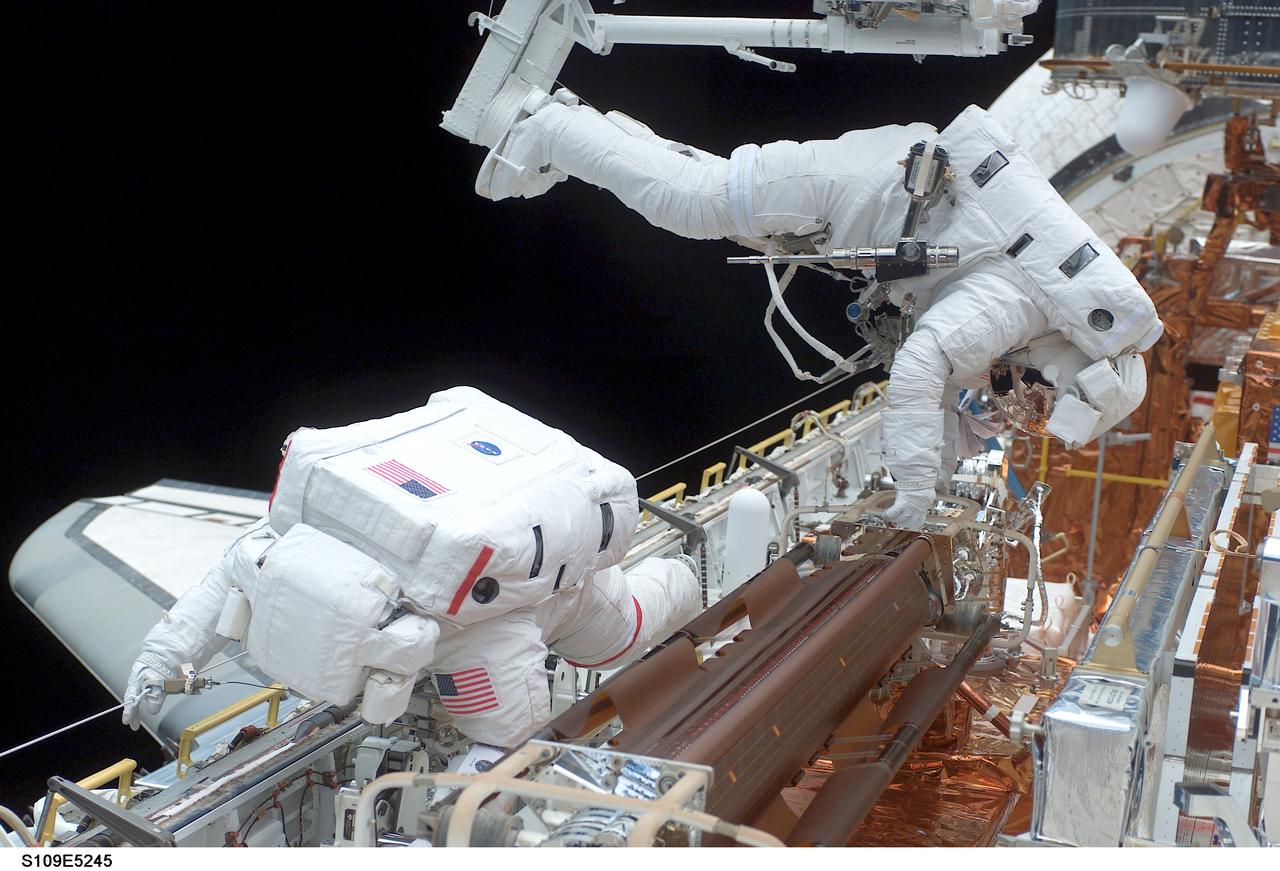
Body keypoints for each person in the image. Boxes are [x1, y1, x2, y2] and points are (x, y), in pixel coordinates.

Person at [470, 83, 1163, 528]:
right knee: (693, 202)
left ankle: (593, 131)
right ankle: (546, 127)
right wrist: (917, 494)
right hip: (856, 189)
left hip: (863, 210)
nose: (1021, 415)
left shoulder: (1024, 330)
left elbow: (955, 394)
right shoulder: (1015, 307)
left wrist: (951, 457)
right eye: (1036, 403)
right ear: (1061, 364)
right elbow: (924, 363)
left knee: (714, 197)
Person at [123, 387, 701, 747]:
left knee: (620, 635)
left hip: (560, 592)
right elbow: (224, 584)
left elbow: (511, 736)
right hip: (489, 564)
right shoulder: (276, 553)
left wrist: (483, 782)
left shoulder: (470, 640)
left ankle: (688, 579)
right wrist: (159, 662)